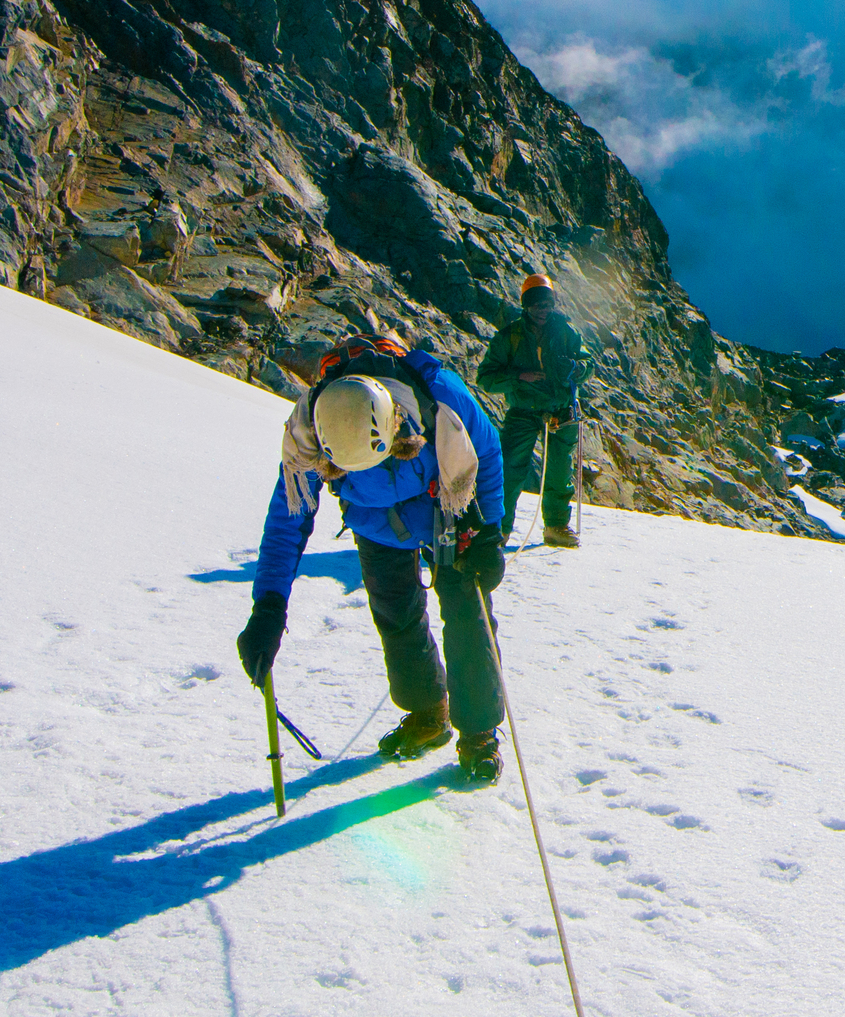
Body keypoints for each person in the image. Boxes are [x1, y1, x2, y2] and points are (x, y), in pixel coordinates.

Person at [236, 333, 513, 786]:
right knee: (395, 613)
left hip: (448, 503)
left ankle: (480, 732)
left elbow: (487, 451)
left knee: (467, 613)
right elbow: (289, 519)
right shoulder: (307, 431)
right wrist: (268, 606)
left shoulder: (439, 398)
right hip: (374, 523)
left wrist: (490, 532)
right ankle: (428, 712)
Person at [475, 272, 588, 548]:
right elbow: (485, 378)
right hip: (524, 410)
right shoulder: (509, 337)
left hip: (560, 409)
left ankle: (556, 527)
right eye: (538, 305)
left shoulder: (565, 330)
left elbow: (587, 362)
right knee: (510, 470)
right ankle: (498, 530)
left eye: (547, 304)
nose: (543, 310)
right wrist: (518, 377)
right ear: (527, 305)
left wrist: (576, 368)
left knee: (559, 471)